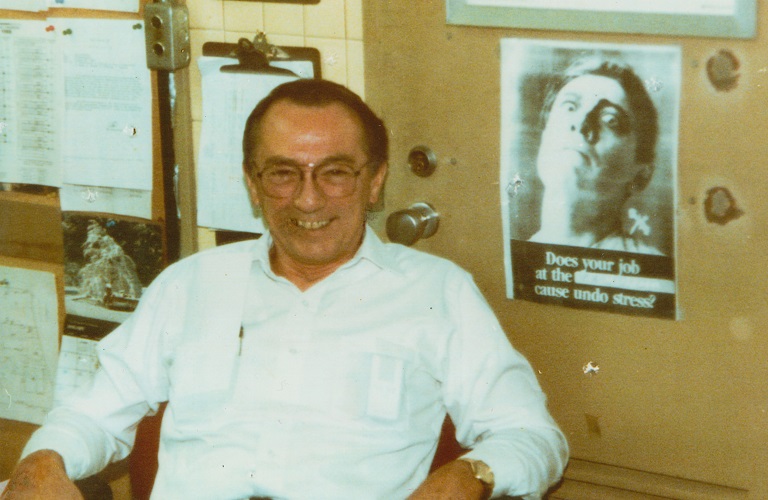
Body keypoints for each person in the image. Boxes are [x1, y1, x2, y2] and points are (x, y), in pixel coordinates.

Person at [4, 79, 568, 499]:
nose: (307, 199)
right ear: (252, 183)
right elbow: (91, 416)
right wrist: (44, 460)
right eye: (283, 173)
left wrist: (470, 474)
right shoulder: (191, 284)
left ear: (374, 181)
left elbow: (532, 435)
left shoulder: (438, 292)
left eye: (335, 172)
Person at [528, 56, 664, 255]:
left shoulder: (652, 274)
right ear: (544, 136)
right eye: (570, 107)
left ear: (640, 175)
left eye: (610, 120)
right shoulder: (506, 257)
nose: (582, 124)